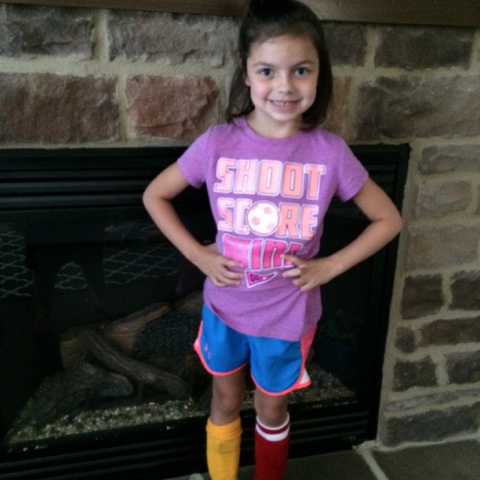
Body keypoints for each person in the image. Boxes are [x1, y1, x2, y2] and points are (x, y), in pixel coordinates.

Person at [143, 1, 403, 478]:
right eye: (268, 70)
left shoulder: (330, 153)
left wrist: (329, 266)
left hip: (287, 317)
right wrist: (198, 255)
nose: (285, 86)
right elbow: (155, 195)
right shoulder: (217, 143)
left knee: (272, 409)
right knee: (224, 401)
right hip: (224, 309)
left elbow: (388, 219)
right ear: (246, 73)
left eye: (301, 70)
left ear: (320, 74)